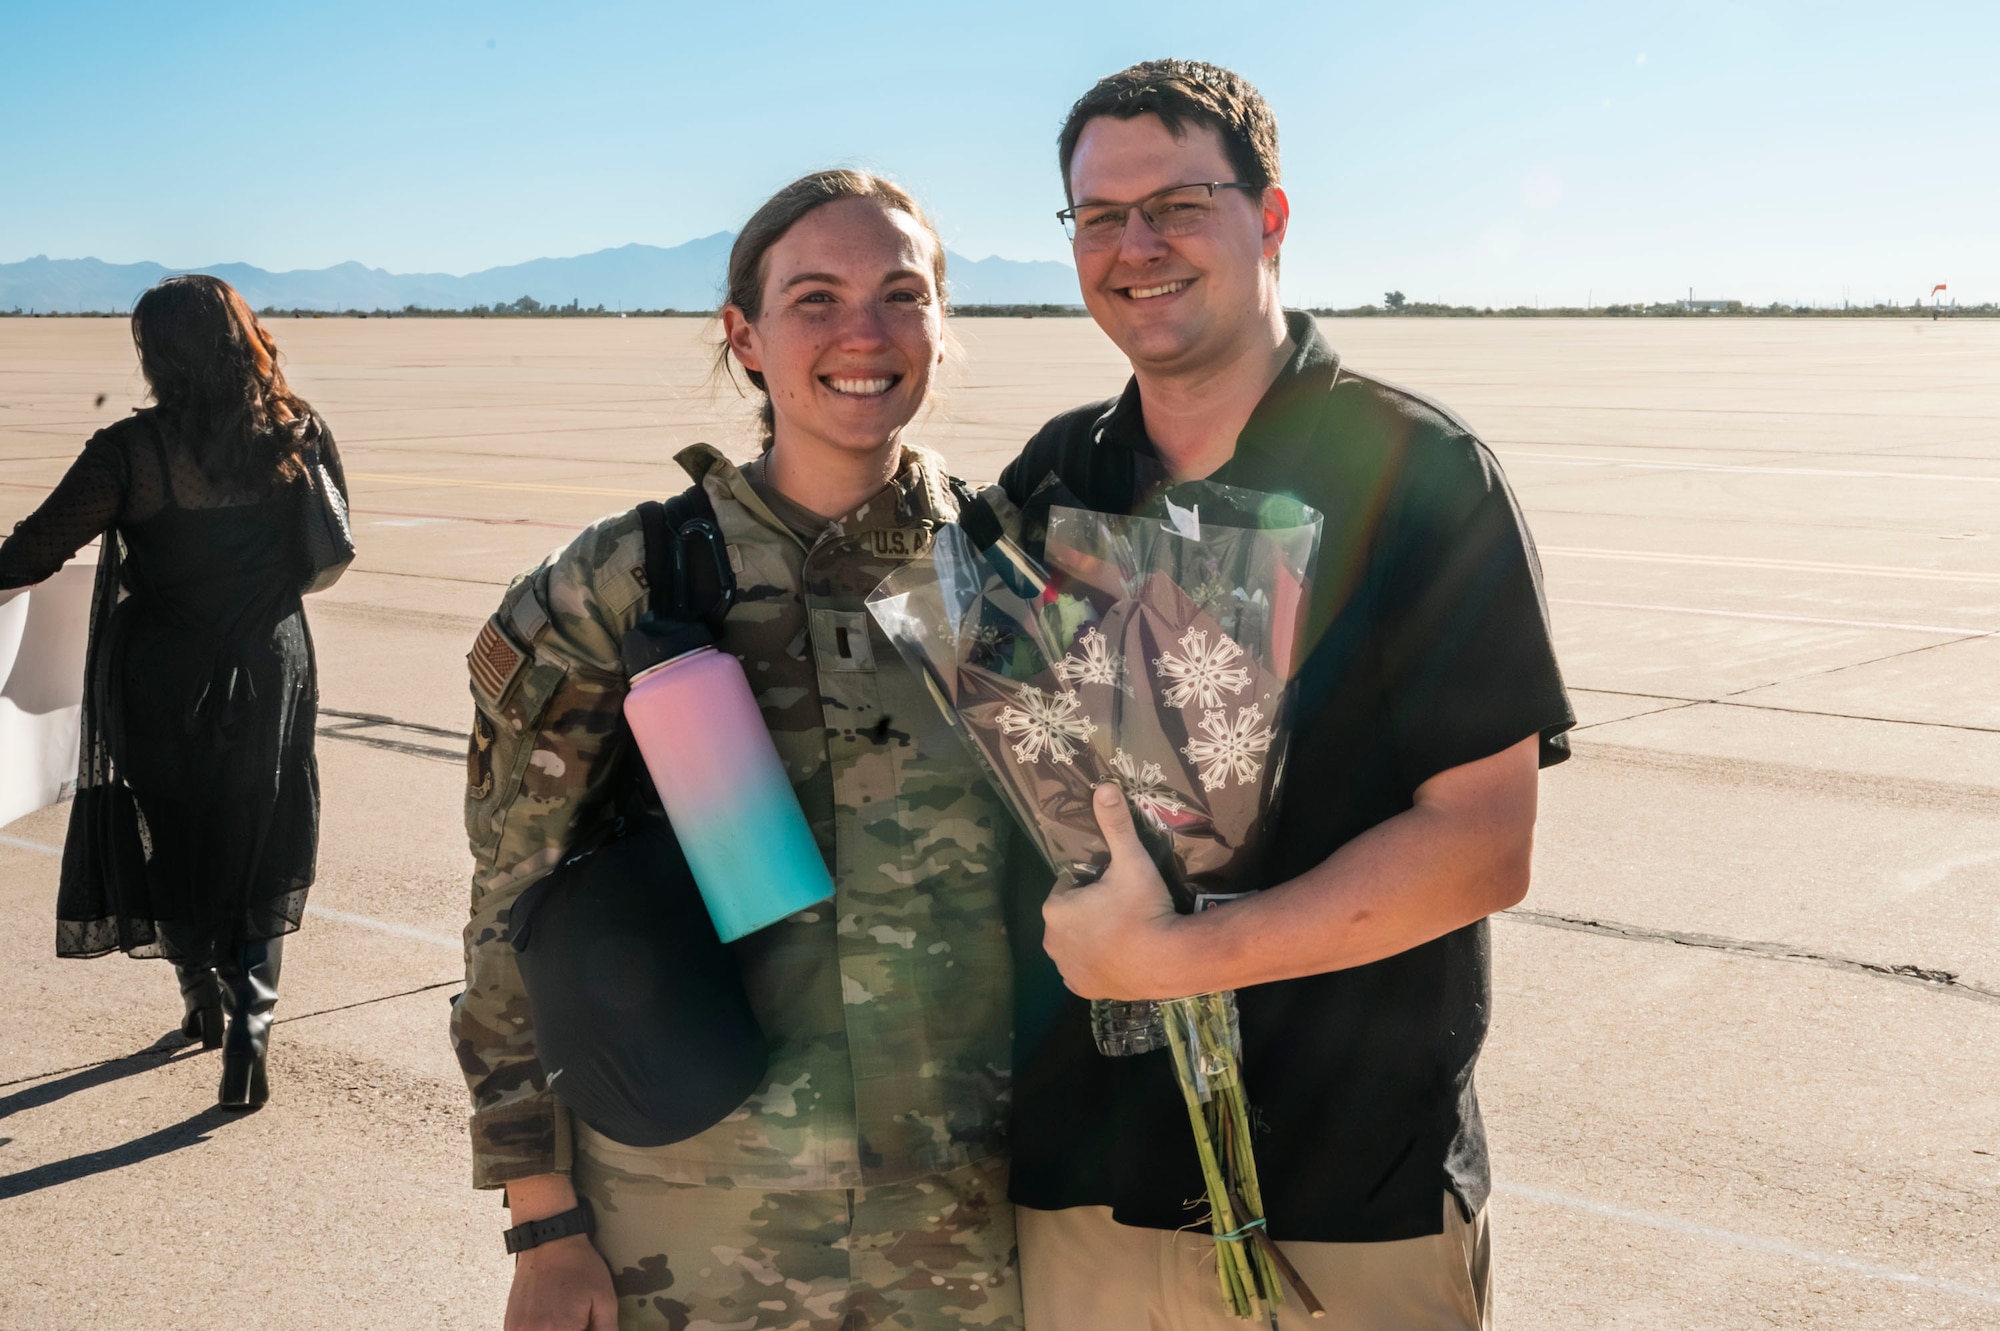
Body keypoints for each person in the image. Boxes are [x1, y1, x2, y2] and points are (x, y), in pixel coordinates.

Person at [987, 61, 1575, 1329]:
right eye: (1099, 217)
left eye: (1176, 204)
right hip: (1081, 1184)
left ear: (1270, 217)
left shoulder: (1416, 468)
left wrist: (1174, 957)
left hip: (1341, 1199)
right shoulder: (1054, 474)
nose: (1135, 247)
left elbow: (1482, 840)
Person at [452, 170, 1021, 1331]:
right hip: (693, 1234)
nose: (862, 331)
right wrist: (543, 1224)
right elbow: (514, 905)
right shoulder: (624, 585)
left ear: (939, 326)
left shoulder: (1007, 572)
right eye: (814, 298)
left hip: (961, 1230)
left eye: (901, 294)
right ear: (743, 336)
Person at [0, 274, 339, 1111]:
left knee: (173, 837)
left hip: (160, 677)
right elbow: (325, 552)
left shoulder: (130, 452)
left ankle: (200, 998)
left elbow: (31, 552)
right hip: (269, 667)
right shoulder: (298, 432)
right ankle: (249, 1028)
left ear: (156, 354)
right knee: (260, 833)